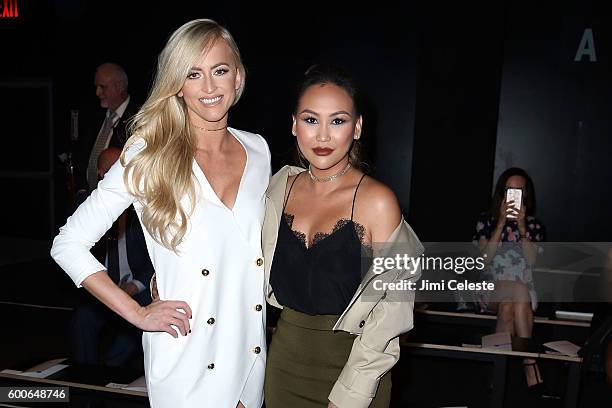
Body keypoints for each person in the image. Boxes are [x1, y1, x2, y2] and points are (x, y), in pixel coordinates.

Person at [51, 19, 270, 408]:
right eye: (193, 74)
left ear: (237, 78)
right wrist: (136, 313)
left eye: (220, 71)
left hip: (249, 350)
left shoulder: (258, 152)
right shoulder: (149, 154)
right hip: (185, 351)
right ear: (177, 86)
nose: (209, 87)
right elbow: (68, 244)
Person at [261, 65, 423, 408]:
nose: (322, 136)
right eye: (310, 120)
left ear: (358, 126)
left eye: (337, 121)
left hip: (359, 368)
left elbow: (393, 311)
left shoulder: (377, 201)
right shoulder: (276, 188)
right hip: (284, 365)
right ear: (293, 124)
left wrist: (351, 394)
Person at [71, 147, 154, 367]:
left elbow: (156, 263)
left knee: (139, 326)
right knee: (83, 319)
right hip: (100, 288)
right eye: (112, 170)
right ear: (100, 173)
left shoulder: (145, 210)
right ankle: (85, 380)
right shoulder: (86, 209)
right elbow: (68, 252)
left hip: (138, 288)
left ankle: (110, 377)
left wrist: (133, 287)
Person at [472, 167, 546, 389]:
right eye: (509, 190)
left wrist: (522, 226)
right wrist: (501, 222)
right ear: (502, 193)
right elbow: (483, 261)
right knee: (516, 292)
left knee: (508, 307)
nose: (514, 194)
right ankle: (529, 362)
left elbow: (532, 261)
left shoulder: (534, 226)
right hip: (490, 288)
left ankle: (496, 374)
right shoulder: (486, 221)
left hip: (523, 293)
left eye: (519, 190)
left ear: (526, 195)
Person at [75, 62, 139, 192]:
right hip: (89, 199)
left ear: (119, 87)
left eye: (102, 87)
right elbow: (82, 156)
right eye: (96, 87)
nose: (97, 92)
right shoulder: (93, 116)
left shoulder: (139, 120)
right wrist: (81, 190)